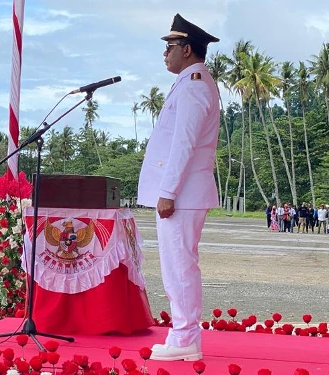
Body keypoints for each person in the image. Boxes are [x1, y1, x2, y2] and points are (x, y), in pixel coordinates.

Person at [137, 13, 220, 361]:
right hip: (181, 194)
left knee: (180, 266)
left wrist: (167, 192)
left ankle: (185, 338)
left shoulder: (195, 85)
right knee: (176, 266)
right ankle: (183, 337)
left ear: (187, 49)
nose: (165, 53)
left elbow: (183, 144)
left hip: (181, 195)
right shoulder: (189, 83)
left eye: (170, 46)